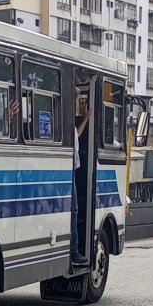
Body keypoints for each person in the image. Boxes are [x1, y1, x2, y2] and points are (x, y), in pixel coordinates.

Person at [71, 88, 90, 265]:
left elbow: (76, 135)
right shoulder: (63, 111)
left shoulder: (66, 120)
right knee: (73, 211)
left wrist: (85, 119)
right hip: (67, 170)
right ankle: (74, 251)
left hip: (72, 169)